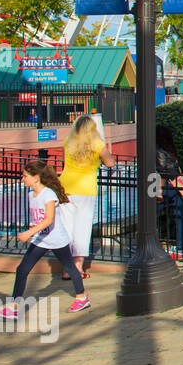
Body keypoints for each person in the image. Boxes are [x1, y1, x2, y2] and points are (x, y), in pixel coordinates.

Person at [0, 159, 88, 320]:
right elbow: (40, 219)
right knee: (22, 269)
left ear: (36, 177)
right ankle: (14, 307)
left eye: (24, 176)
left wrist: (28, 233)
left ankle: (82, 298)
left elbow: (49, 220)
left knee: (70, 268)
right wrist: (35, 232)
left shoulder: (48, 194)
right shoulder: (31, 194)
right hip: (41, 239)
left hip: (57, 239)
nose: (22, 179)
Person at [59, 115, 115, 281]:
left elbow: (65, 165)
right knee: (82, 228)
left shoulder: (68, 143)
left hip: (66, 187)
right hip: (85, 189)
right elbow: (110, 163)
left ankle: (66, 269)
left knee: (67, 228)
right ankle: (77, 267)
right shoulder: (97, 144)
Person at [155, 126, 183, 262]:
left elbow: (161, 171)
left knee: (152, 215)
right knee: (178, 216)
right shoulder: (171, 149)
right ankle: (181, 247)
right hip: (176, 185)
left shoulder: (158, 150)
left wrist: (159, 190)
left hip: (165, 185)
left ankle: (150, 245)